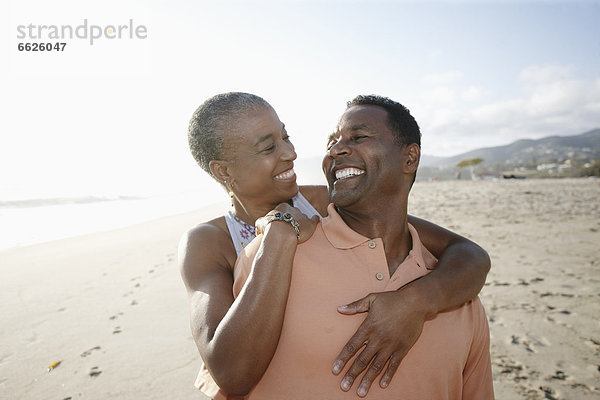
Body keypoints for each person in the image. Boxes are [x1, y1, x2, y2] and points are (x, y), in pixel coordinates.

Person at [179, 93, 491, 399]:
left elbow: (468, 254)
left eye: (286, 136)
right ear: (224, 171)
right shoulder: (210, 241)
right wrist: (278, 235)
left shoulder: (326, 200)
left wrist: (415, 301)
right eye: (269, 147)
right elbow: (229, 370)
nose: (290, 153)